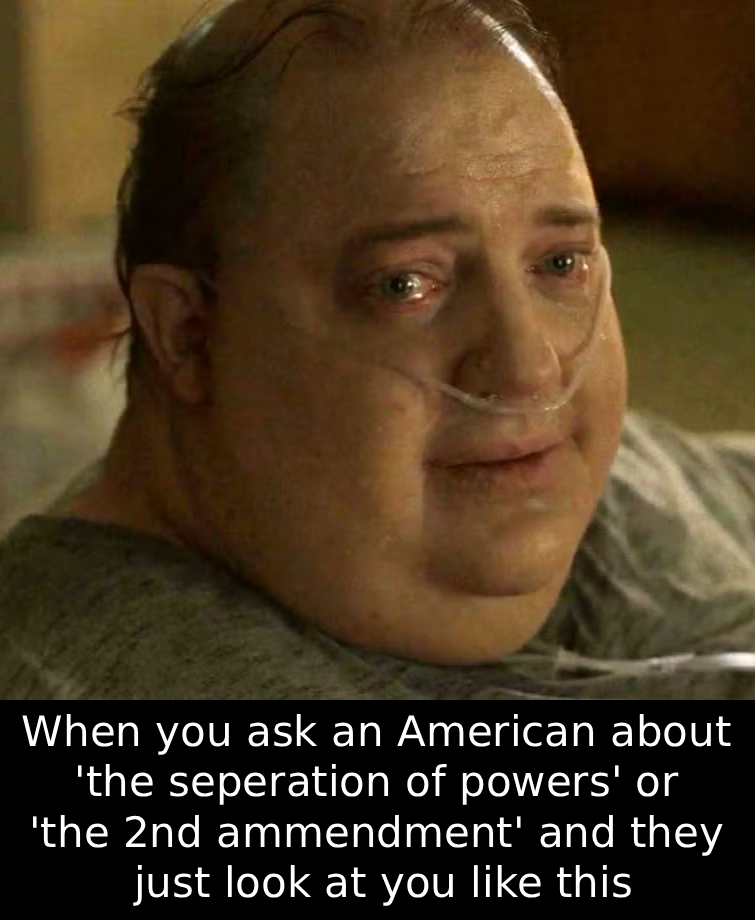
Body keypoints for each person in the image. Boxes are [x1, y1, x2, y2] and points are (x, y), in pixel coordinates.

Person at [1, 0, 754, 700]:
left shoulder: (538, 476)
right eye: (404, 285)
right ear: (187, 333)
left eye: (560, 263)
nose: (530, 368)